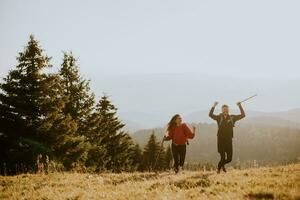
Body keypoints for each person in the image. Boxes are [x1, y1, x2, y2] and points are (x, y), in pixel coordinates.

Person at [209, 101, 245, 173]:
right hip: (220, 141)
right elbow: (210, 115)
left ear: (228, 110)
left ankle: (222, 165)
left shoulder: (232, 118)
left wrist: (239, 106)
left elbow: (243, 115)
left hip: (229, 141)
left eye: (226, 109)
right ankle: (219, 169)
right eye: (224, 109)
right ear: (222, 110)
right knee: (222, 157)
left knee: (229, 159)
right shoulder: (219, 117)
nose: (225, 110)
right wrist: (214, 106)